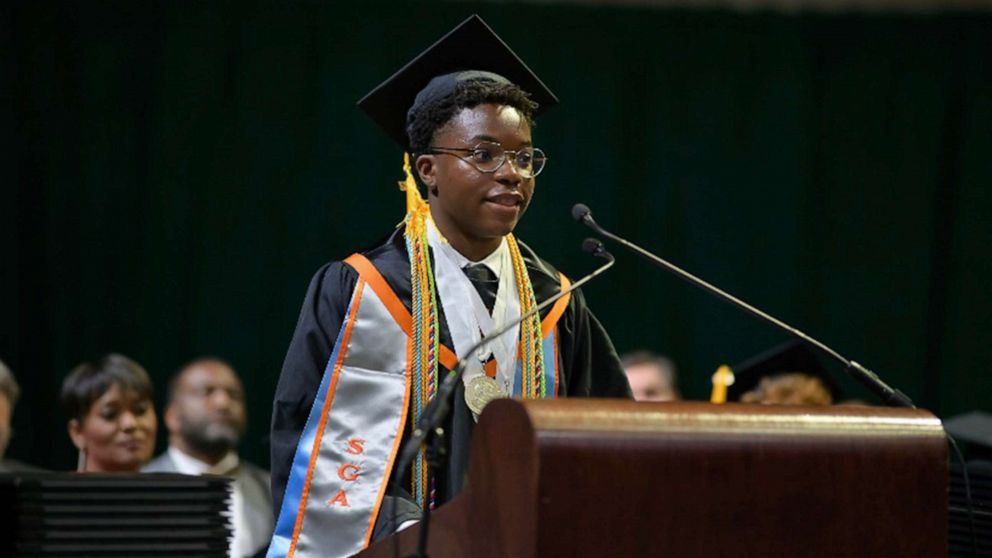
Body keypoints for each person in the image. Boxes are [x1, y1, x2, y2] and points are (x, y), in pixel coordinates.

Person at [268, 15, 631, 558]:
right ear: (427, 171)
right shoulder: (363, 291)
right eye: (484, 155)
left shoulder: (554, 298)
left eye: (525, 157)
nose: (512, 173)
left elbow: (606, 444)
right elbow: (313, 456)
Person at [144, 357, 274, 558]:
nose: (223, 403)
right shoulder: (141, 486)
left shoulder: (273, 490)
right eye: (206, 392)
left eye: (234, 395)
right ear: (172, 415)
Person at [61, 353, 157, 473]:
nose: (130, 424)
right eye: (110, 414)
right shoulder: (58, 492)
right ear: (78, 432)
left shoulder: (174, 489)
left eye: (140, 410)